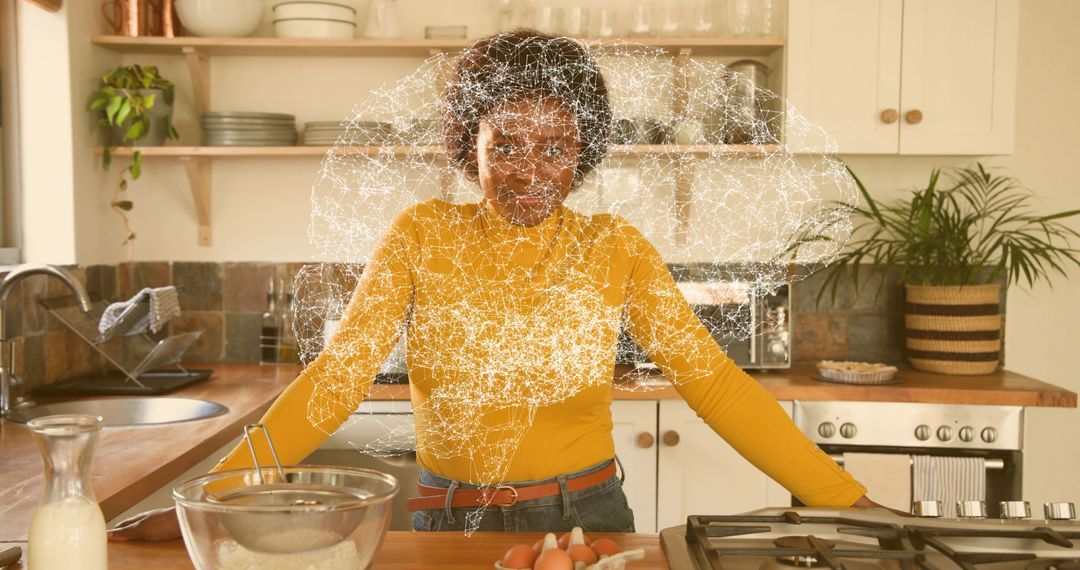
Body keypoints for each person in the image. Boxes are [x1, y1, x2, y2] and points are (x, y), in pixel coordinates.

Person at [110, 29, 883, 540]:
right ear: (467, 143)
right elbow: (338, 376)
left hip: (587, 520)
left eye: (555, 147)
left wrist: (843, 498)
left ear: (581, 155)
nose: (527, 169)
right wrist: (212, 494)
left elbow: (714, 383)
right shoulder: (419, 235)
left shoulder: (615, 248)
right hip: (443, 518)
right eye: (503, 142)